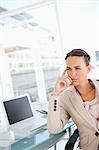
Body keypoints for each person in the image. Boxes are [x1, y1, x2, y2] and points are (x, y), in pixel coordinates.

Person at [47, 49, 99, 150]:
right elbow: (54, 129)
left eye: (77, 68)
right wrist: (56, 93)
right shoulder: (66, 97)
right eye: (69, 69)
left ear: (88, 69)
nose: (72, 73)